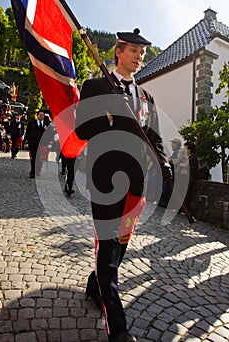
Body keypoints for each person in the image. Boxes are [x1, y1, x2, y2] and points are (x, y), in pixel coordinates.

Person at [75, 29, 172, 342]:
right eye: (134, 50)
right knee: (108, 251)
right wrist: (109, 114)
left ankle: (95, 285)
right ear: (118, 51)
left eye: (143, 52)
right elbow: (81, 129)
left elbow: (153, 136)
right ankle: (117, 329)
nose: (140, 56)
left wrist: (164, 164)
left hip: (136, 183)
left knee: (120, 246)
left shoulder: (146, 97)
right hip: (104, 179)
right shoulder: (96, 85)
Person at [24, 109, 49, 178]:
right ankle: (32, 172)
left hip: (43, 144)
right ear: (37, 115)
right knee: (34, 158)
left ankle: (38, 171)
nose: (41, 116)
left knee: (40, 159)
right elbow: (27, 132)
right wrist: (26, 140)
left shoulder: (46, 123)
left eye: (42, 115)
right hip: (33, 143)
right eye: (40, 115)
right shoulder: (32, 122)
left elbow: (50, 133)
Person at [183, 142, 199, 210]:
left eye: (185, 148)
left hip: (190, 178)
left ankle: (186, 208)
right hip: (186, 178)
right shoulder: (188, 157)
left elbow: (194, 168)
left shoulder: (193, 158)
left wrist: (185, 166)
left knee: (188, 194)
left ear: (189, 150)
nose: (184, 150)